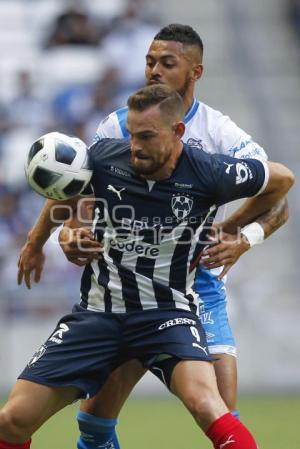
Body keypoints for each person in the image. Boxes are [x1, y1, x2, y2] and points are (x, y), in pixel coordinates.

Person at [17, 25, 289, 449]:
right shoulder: (118, 127)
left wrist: (241, 235)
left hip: (193, 283)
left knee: (218, 403)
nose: (154, 71)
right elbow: (81, 186)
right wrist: (72, 230)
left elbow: (279, 195)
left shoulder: (222, 137)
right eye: (149, 61)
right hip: (120, 283)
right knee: (94, 419)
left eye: (167, 63)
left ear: (195, 71)